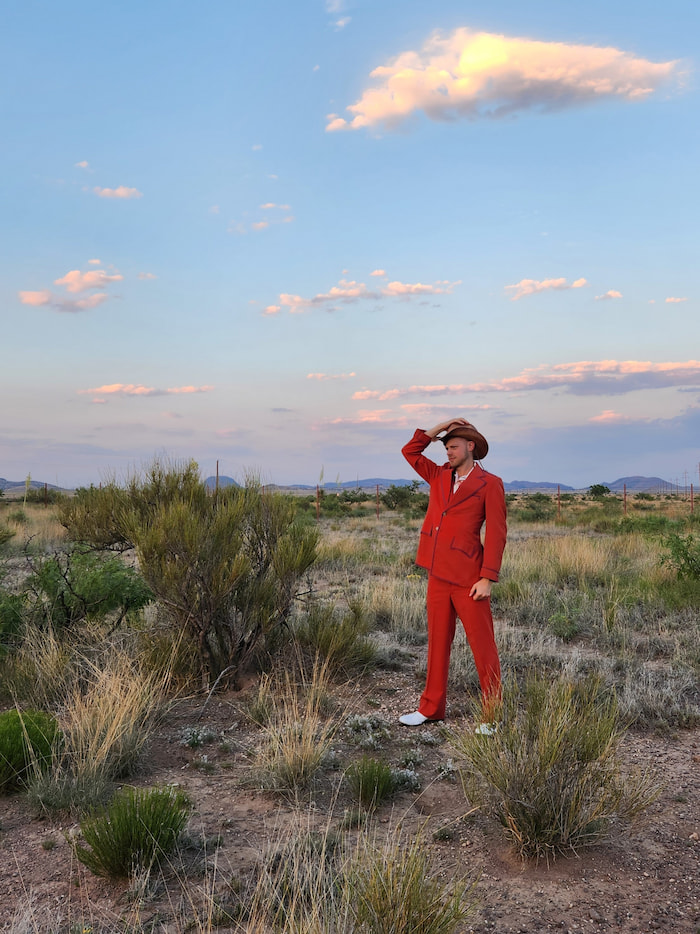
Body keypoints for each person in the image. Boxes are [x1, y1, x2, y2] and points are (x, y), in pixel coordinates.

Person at [399, 418, 507, 734]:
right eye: (445, 447)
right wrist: (439, 428)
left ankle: (493, 716)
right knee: (437, 643)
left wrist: (487, 577)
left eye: (454, 446)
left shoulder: (490, 483)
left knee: (483, 647)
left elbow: (498, 533)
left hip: (469, 578)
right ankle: (431, 709)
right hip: (437, 574)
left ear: (470, 447)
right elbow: (410, 451)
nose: (448, 452)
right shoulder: (438, 475)